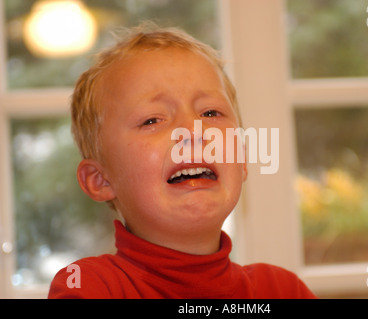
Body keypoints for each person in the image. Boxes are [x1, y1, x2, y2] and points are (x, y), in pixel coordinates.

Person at [48, 22, 316, 299]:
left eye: (211, 113)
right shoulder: (88, 286)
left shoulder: (281, 290)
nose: (193, 131)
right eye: (152, 120)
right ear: (100, 179)